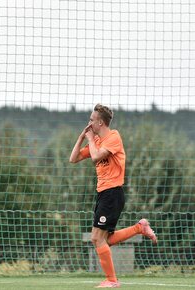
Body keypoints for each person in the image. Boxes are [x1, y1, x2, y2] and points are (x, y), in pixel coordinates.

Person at [69, 104, 157, 288]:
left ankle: (111, 280)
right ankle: (139, 228)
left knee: (96, 238)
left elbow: (95, 157)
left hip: (112, 193)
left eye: (91, 120)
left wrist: (91, 139)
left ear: (100, 122)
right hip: (103, 194)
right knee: (104, 240)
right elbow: (73, 158)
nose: (89, 122)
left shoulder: (113, 137)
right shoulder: (97, 141)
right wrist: (81, 137)